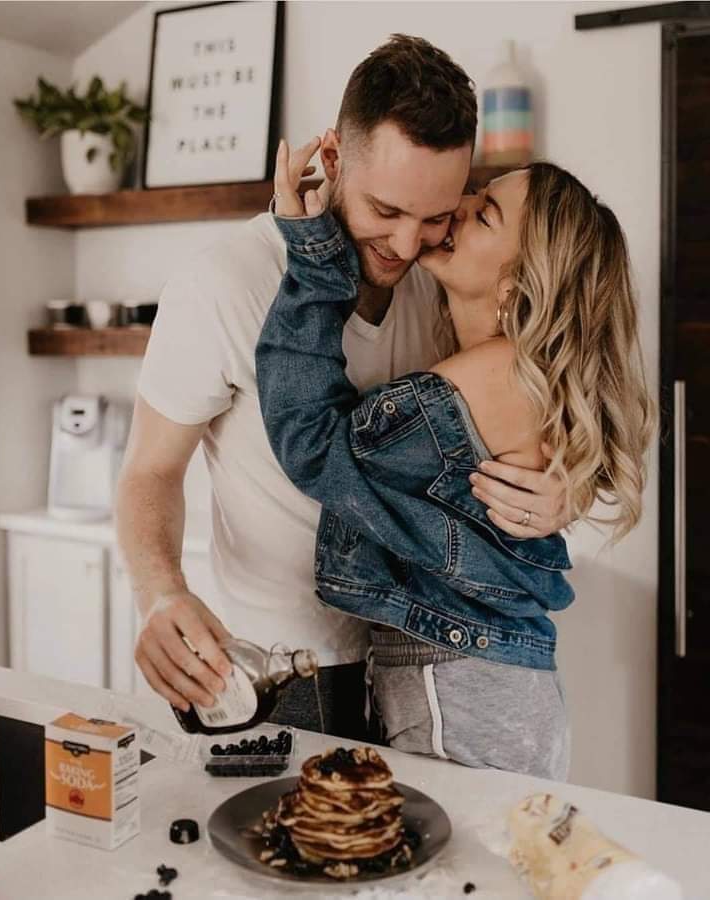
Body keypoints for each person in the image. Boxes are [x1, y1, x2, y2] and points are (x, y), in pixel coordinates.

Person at [116, 35, 571, 739]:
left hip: (417, 660)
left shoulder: (446, 278)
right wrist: (158, 592)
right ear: (331, 159)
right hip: (278, 668)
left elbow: (525, 411)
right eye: (385, 211)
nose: (407, 244)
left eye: (435, 216)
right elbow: (149, 469)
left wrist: (563, 489)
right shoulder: (224, 283)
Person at [255, 139, 653, 778]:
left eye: (485, 213)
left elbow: (312, 444)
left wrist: (314, 255)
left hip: (463, 700)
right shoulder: (511, 375)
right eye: (476, 192)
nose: (458, 207)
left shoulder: (494, 378)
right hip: (486, 690)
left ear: (517, 282)